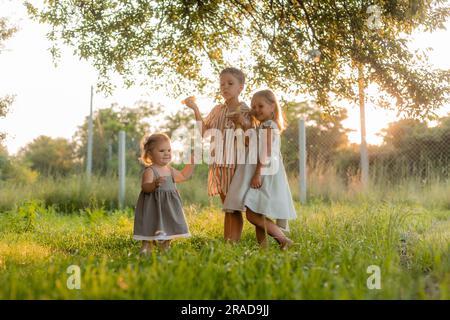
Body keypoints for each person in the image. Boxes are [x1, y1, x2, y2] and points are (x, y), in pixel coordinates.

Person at [183, 67, 254, 243]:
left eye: (230, 83)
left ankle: (233, 243)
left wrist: (242, 123)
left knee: (234, 207)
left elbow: (251, 139)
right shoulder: (217, 110)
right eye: (222, 84)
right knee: (227, 206)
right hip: (219, 163)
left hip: (236, 165)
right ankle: (227, 242)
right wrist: (195, 109)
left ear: (240, 87)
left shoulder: (246, 111)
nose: (225, 87)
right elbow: (204, 132)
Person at [224, 89, 296, 249]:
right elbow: (250, 144)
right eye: (253, 106)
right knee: (258, 210)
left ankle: (283, 240)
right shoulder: (262, 126)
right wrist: (242, 123)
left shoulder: (269, 126)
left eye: (260, 106)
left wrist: (257, 174)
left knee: (252, 214)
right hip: (260, 170)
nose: (256, 110)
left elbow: (266, 151)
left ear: (272, 107)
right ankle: (263, 249)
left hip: (264, 171)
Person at [133, 133, 194, 254]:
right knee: (149, 225)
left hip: (168, 207)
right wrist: (154, 184)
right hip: (153, 207)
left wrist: (191, 163)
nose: (167, 153)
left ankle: (166, 245)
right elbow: (145, 187)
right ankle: (147, 246)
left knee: (168, 225)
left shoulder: (169, 170)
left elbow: (183, 176)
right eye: (161, 151)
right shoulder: (150, 171)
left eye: (169, 150)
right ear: (150, 155)